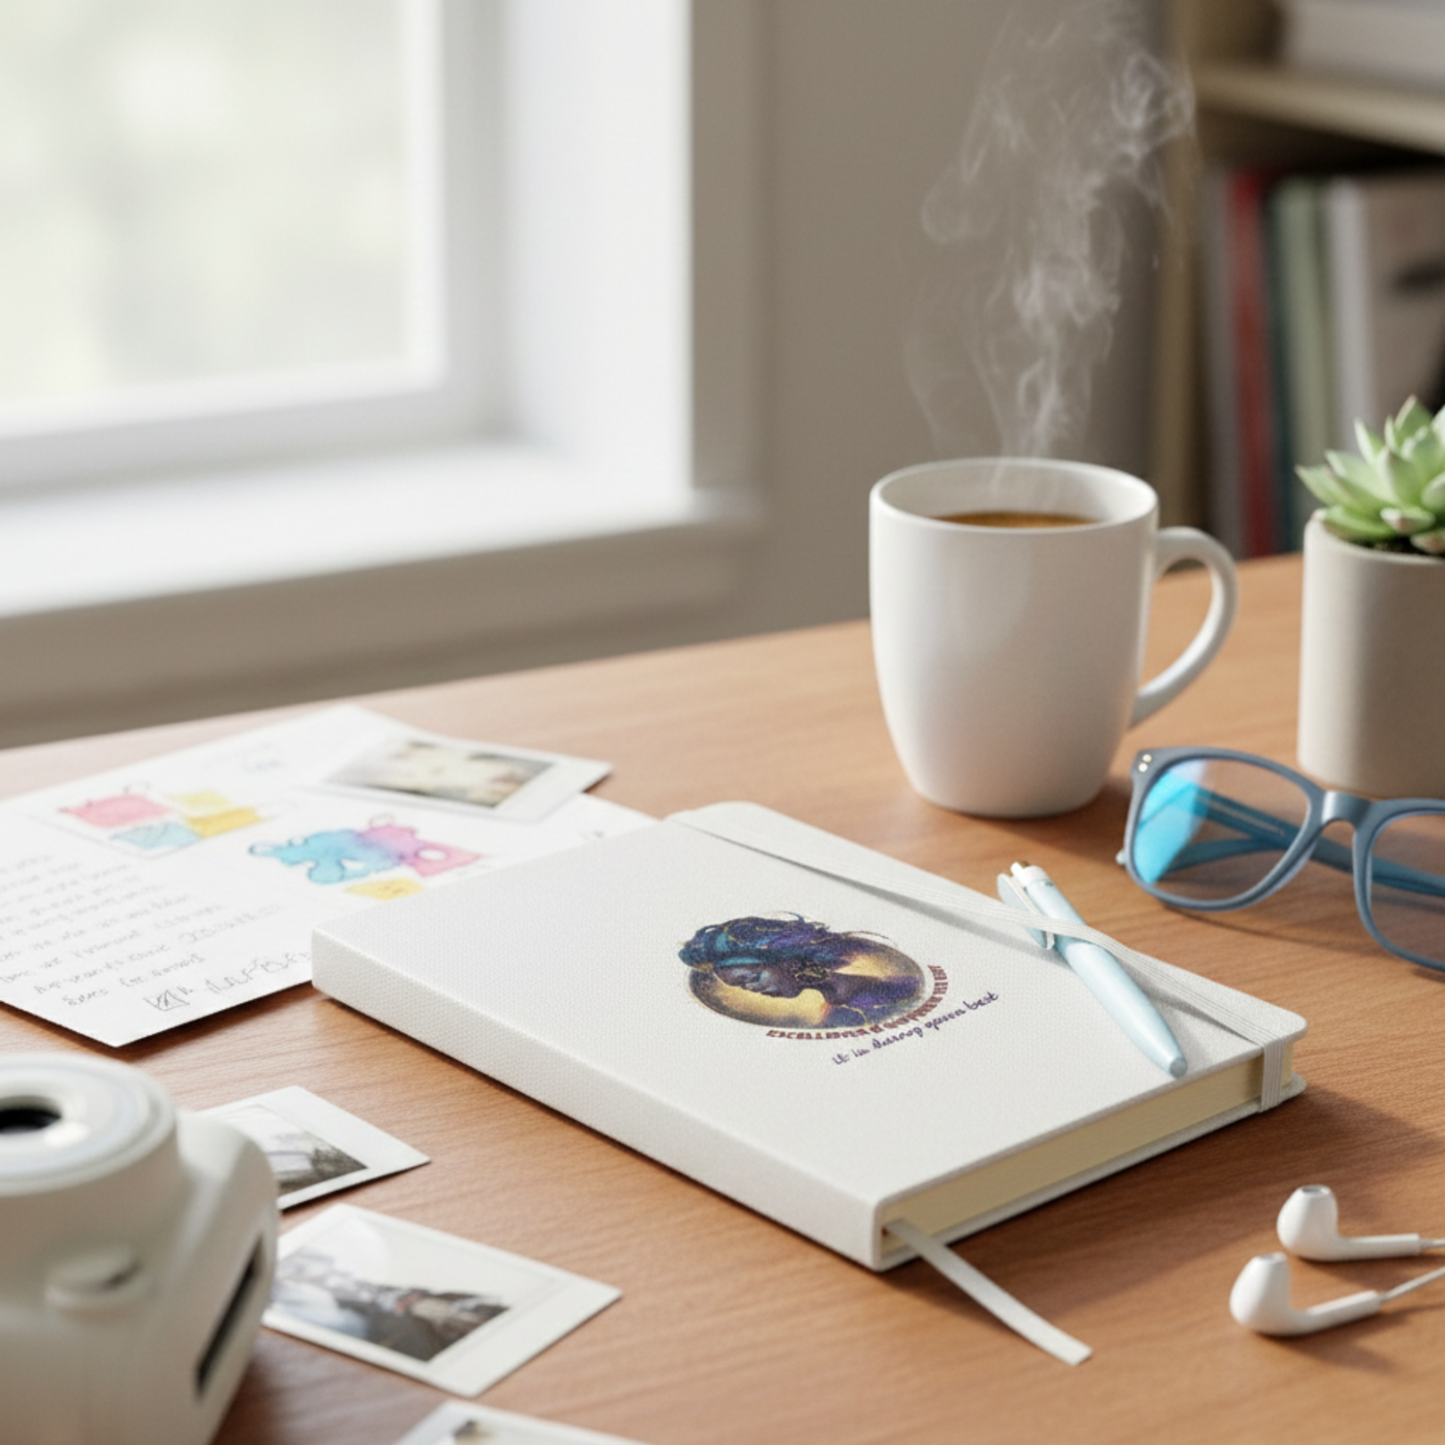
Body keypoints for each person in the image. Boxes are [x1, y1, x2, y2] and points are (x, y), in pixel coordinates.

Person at [678, 914, 923, 1028]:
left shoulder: (899, 987)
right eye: (743, 987)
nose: (753, 990)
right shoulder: (833, 1015)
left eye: (752, 978)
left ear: (788, 961)